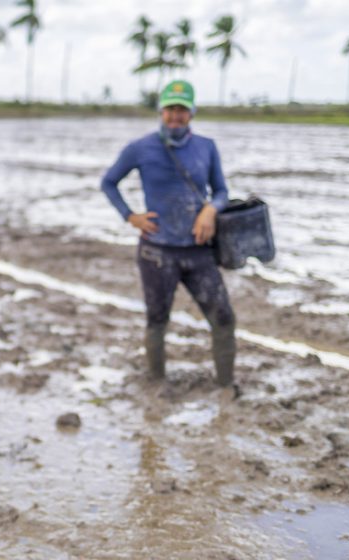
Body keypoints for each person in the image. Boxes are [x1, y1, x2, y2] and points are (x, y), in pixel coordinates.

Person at [100, 80, 237, 391]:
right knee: (157, 321)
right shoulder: (140, 148)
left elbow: (221, 191)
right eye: (170, 109)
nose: (176, 115)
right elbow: (108, 183)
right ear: (161, 111)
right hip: (156, 253)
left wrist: (210, 210)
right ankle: (158, 383)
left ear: (191, 113)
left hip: (199, 250)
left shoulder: (206, 147)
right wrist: (130, 216)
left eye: (182, 109)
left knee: (224, 319)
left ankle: (227, 387)